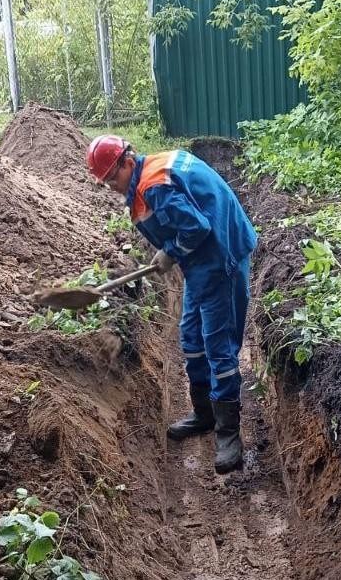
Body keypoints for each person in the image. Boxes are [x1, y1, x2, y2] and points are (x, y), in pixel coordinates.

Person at [86, 135, 257, 474]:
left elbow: (196, 227)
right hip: (200, 264)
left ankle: (229, 435)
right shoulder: (148, 175)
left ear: (127, 161)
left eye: (112, 178)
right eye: (104, 182)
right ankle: (204, 413)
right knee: (191, 339)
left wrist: (171, 252)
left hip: (220, 256)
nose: (110, 186)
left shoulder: (154, 186)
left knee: (217, 346)